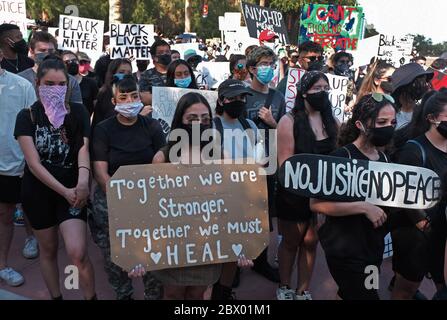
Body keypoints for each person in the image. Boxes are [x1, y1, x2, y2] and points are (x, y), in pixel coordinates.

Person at [14, 58, 96, 300]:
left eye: (61, 84)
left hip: (73, 190)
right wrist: (64, 190)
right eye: (49, 83)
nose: (55, 89)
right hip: (39, 193)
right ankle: (56, 296)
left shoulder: (79, 111)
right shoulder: (27, 116)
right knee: (48, 251)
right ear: (38, 84)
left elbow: (83, 148)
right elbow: (33, 164)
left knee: (77, 252)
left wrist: (82, 182)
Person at [310, 93, 397, 300]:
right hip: (344, 249)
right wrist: (364, 207)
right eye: (381, 122)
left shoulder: (385, 158)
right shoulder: (340, 158)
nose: (389, 127)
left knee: (353, 292)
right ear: (360, 124)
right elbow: (316, 204)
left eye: (393, 122)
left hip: (372, 248)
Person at [140, 92, 222, 299]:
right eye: (192, 119)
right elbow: (150, 206)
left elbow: (229, 199)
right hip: (173, 245)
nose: (199, 124)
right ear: (180, 121)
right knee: (173, 295)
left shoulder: (218, 155)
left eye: (205, 119)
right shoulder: (163, 157)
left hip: (207, 242)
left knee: (198, 294)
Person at [90, 75, 165, 300]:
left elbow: (162, 158)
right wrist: (122, 200)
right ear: (114, 102)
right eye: (123, 97)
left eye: (134, 96)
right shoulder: (104, 130)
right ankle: (124, 294)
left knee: (152, 256)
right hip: (113, 201)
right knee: (116, 257)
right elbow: (101, 173)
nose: (130, 101)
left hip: (148, 199)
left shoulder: (151, 125)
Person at [276, 71, 339, 300]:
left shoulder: (333, 122)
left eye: (325, 88)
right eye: (316, 88)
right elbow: (285, 164)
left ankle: (303, 290)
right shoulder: (288, 121)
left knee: (311, 243)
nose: (322, 93)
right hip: (293, 195)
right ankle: (284, 286)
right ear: (304, 92)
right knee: (291, 242)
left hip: (322, 197)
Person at [391, 90, 447, 299]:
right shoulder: (413, 151)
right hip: (416, 234)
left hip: (443, 233)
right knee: (407, 288)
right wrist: (424, 225)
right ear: (431, 119)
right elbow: (402, 194)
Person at [210, 79, 260, 299]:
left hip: (243, 198)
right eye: (234, 98)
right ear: (222, 100)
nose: (239, 102)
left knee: (234, 251)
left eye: (242, 98)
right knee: (213, 251)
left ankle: (224, 292)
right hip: (216, 199)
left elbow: (259, 163)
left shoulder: (250, 126)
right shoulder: (210, 126)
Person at [245, 45, 286, 283]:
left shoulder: (278, 98)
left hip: (268, 166)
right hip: (243, 165)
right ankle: (236, 262)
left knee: (264, 216)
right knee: (240, 212)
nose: (269, 69)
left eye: (271, 64)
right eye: (263, 65)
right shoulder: (241, 94)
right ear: (252, 69)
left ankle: (260, 261)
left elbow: (286, 132)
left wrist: (272, 122)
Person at [0, 47, 37, 286]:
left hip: (18, 163)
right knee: (4, 214)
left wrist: (30, 158)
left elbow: (34, 122)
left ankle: (31, 238)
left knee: (26, 207)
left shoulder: (22, 86)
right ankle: (2, 266)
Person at [18, 31, 83, 104]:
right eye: (42, 50)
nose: (47, 53)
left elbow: (77, 110)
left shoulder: (71, 81)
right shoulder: (20, 80)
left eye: (51, 50)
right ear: (32, 51)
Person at [91, 58, 133, 128]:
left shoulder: (135, 95)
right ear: (113, 74)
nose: (125, 75)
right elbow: (97, 121)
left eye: (129, 73)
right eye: (121, 72)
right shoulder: (104, 94)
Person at [392, 63, 434, 129]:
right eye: (422, 81)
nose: (427, 85)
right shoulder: (391, 118)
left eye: (426, 81)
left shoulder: (425, 112)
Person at [62, 51, 98, 116]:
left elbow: (96, 107)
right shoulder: (59, 84)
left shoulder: (91, 83)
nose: (72, 63)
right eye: (67, 62)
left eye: (74, 61)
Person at [139, 39, 171, 106]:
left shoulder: (178, 72)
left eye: (167, 52)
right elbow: (144, 98)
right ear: (154, 57)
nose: (165, 54)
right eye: (161, 52)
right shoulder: (146, 76)